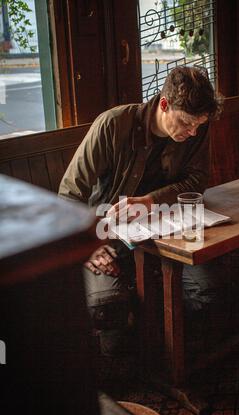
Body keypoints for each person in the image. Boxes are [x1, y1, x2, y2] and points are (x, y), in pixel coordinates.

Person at [59, 66, 223, 356]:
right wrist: (87, 246)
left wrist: (149, 200)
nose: (193, 132)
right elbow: (69, 195)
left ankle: (167, 345)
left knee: (207, 293)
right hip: (106, 234)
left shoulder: (197, 127)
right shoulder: (113, 124)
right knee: (108, 313)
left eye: (199, 125)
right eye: (187, 123)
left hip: (170, 232)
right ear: (164, 104)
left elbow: (198, 181)